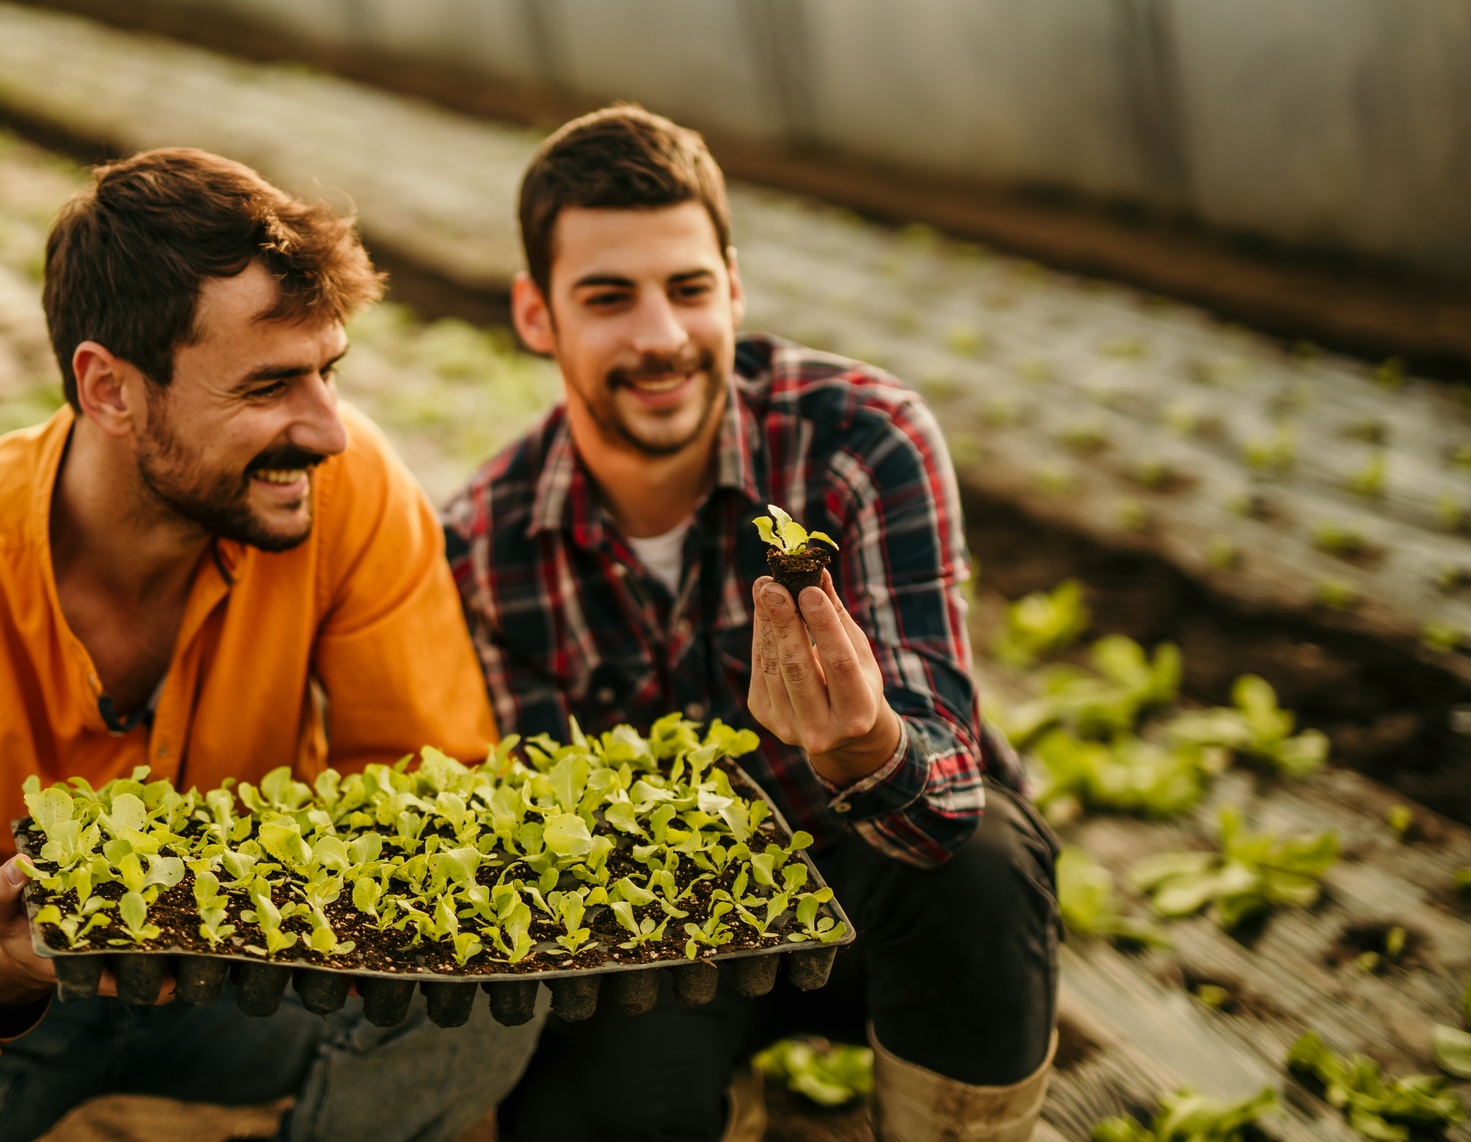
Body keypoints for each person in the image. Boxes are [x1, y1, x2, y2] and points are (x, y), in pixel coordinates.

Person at [0, 149, 542, 1142]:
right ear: (110, 390)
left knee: (484, 977)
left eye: (327, 371)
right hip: (11, 997)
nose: (329, 430)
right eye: (268, 386)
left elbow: (428, 783)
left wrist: (295, 895)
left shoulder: (349, 494)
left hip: (253, 971)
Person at [444, 107, 1061, 1142]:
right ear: (535, 314)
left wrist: (860, 743)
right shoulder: (480, 545)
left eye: (687, 289)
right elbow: (568, 882)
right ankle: (711, 1094)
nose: (658, 337)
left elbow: (940, 796)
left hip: (877, 872)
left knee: (982, 871)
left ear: (731, 286)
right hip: (668, 932)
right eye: (606, 298)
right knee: (584, 1107)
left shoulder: (858, 440)